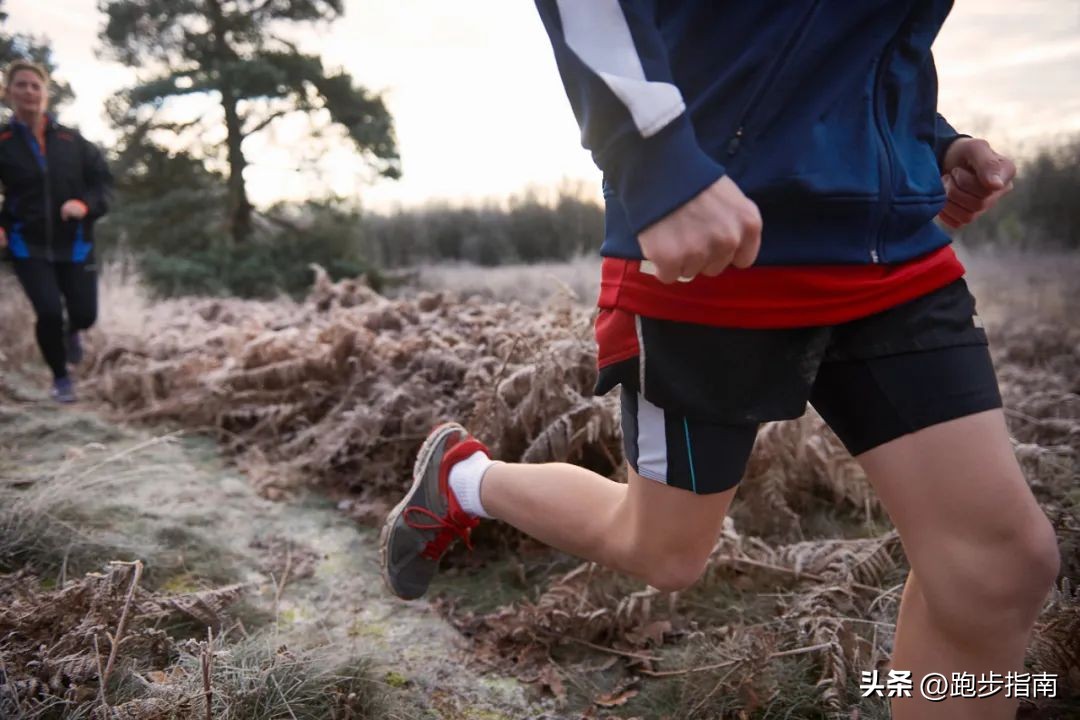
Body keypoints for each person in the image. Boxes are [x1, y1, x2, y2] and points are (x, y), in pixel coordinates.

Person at [381, 3, 1060, 718]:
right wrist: (657, 160)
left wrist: (928, 137)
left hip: (891, 251)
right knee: (664, 553)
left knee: (1000, 566)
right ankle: (466, 480)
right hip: (712, 243)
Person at [0, 60, 112, 402]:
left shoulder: (72, 141)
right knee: (48, 311)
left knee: (84, 314)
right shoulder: (3, 142)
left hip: (74, 243)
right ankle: (61, 378)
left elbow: (103, 184)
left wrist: (84, 205)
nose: (29, 91)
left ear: (46, 94)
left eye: (36, 85)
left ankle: (73, 331)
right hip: (26, 244)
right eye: (21, 85)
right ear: (8, 93)